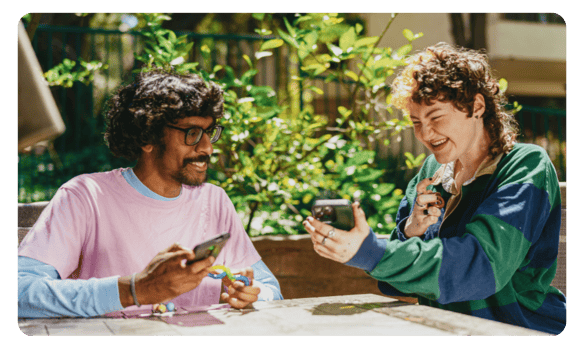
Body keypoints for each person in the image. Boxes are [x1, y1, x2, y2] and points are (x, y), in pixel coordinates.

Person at [303, 43, 567, 335]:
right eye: (416, 122)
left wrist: (371, 252)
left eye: (436, 117)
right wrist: (413, 228)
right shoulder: (432, 172)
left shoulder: (526, 165)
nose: (425, 134)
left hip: (519, 330)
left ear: (477, 107)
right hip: (445, 328)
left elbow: (481, 268)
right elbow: (394, 283)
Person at [17, 69, 282, 318]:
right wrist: (134, 290)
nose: (207, 148)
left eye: (209, 132)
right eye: (192, 133)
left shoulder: (214, 201)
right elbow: (19, 294)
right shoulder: (86, 197)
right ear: (147, 138)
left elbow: (271, 289)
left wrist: (249, 295)